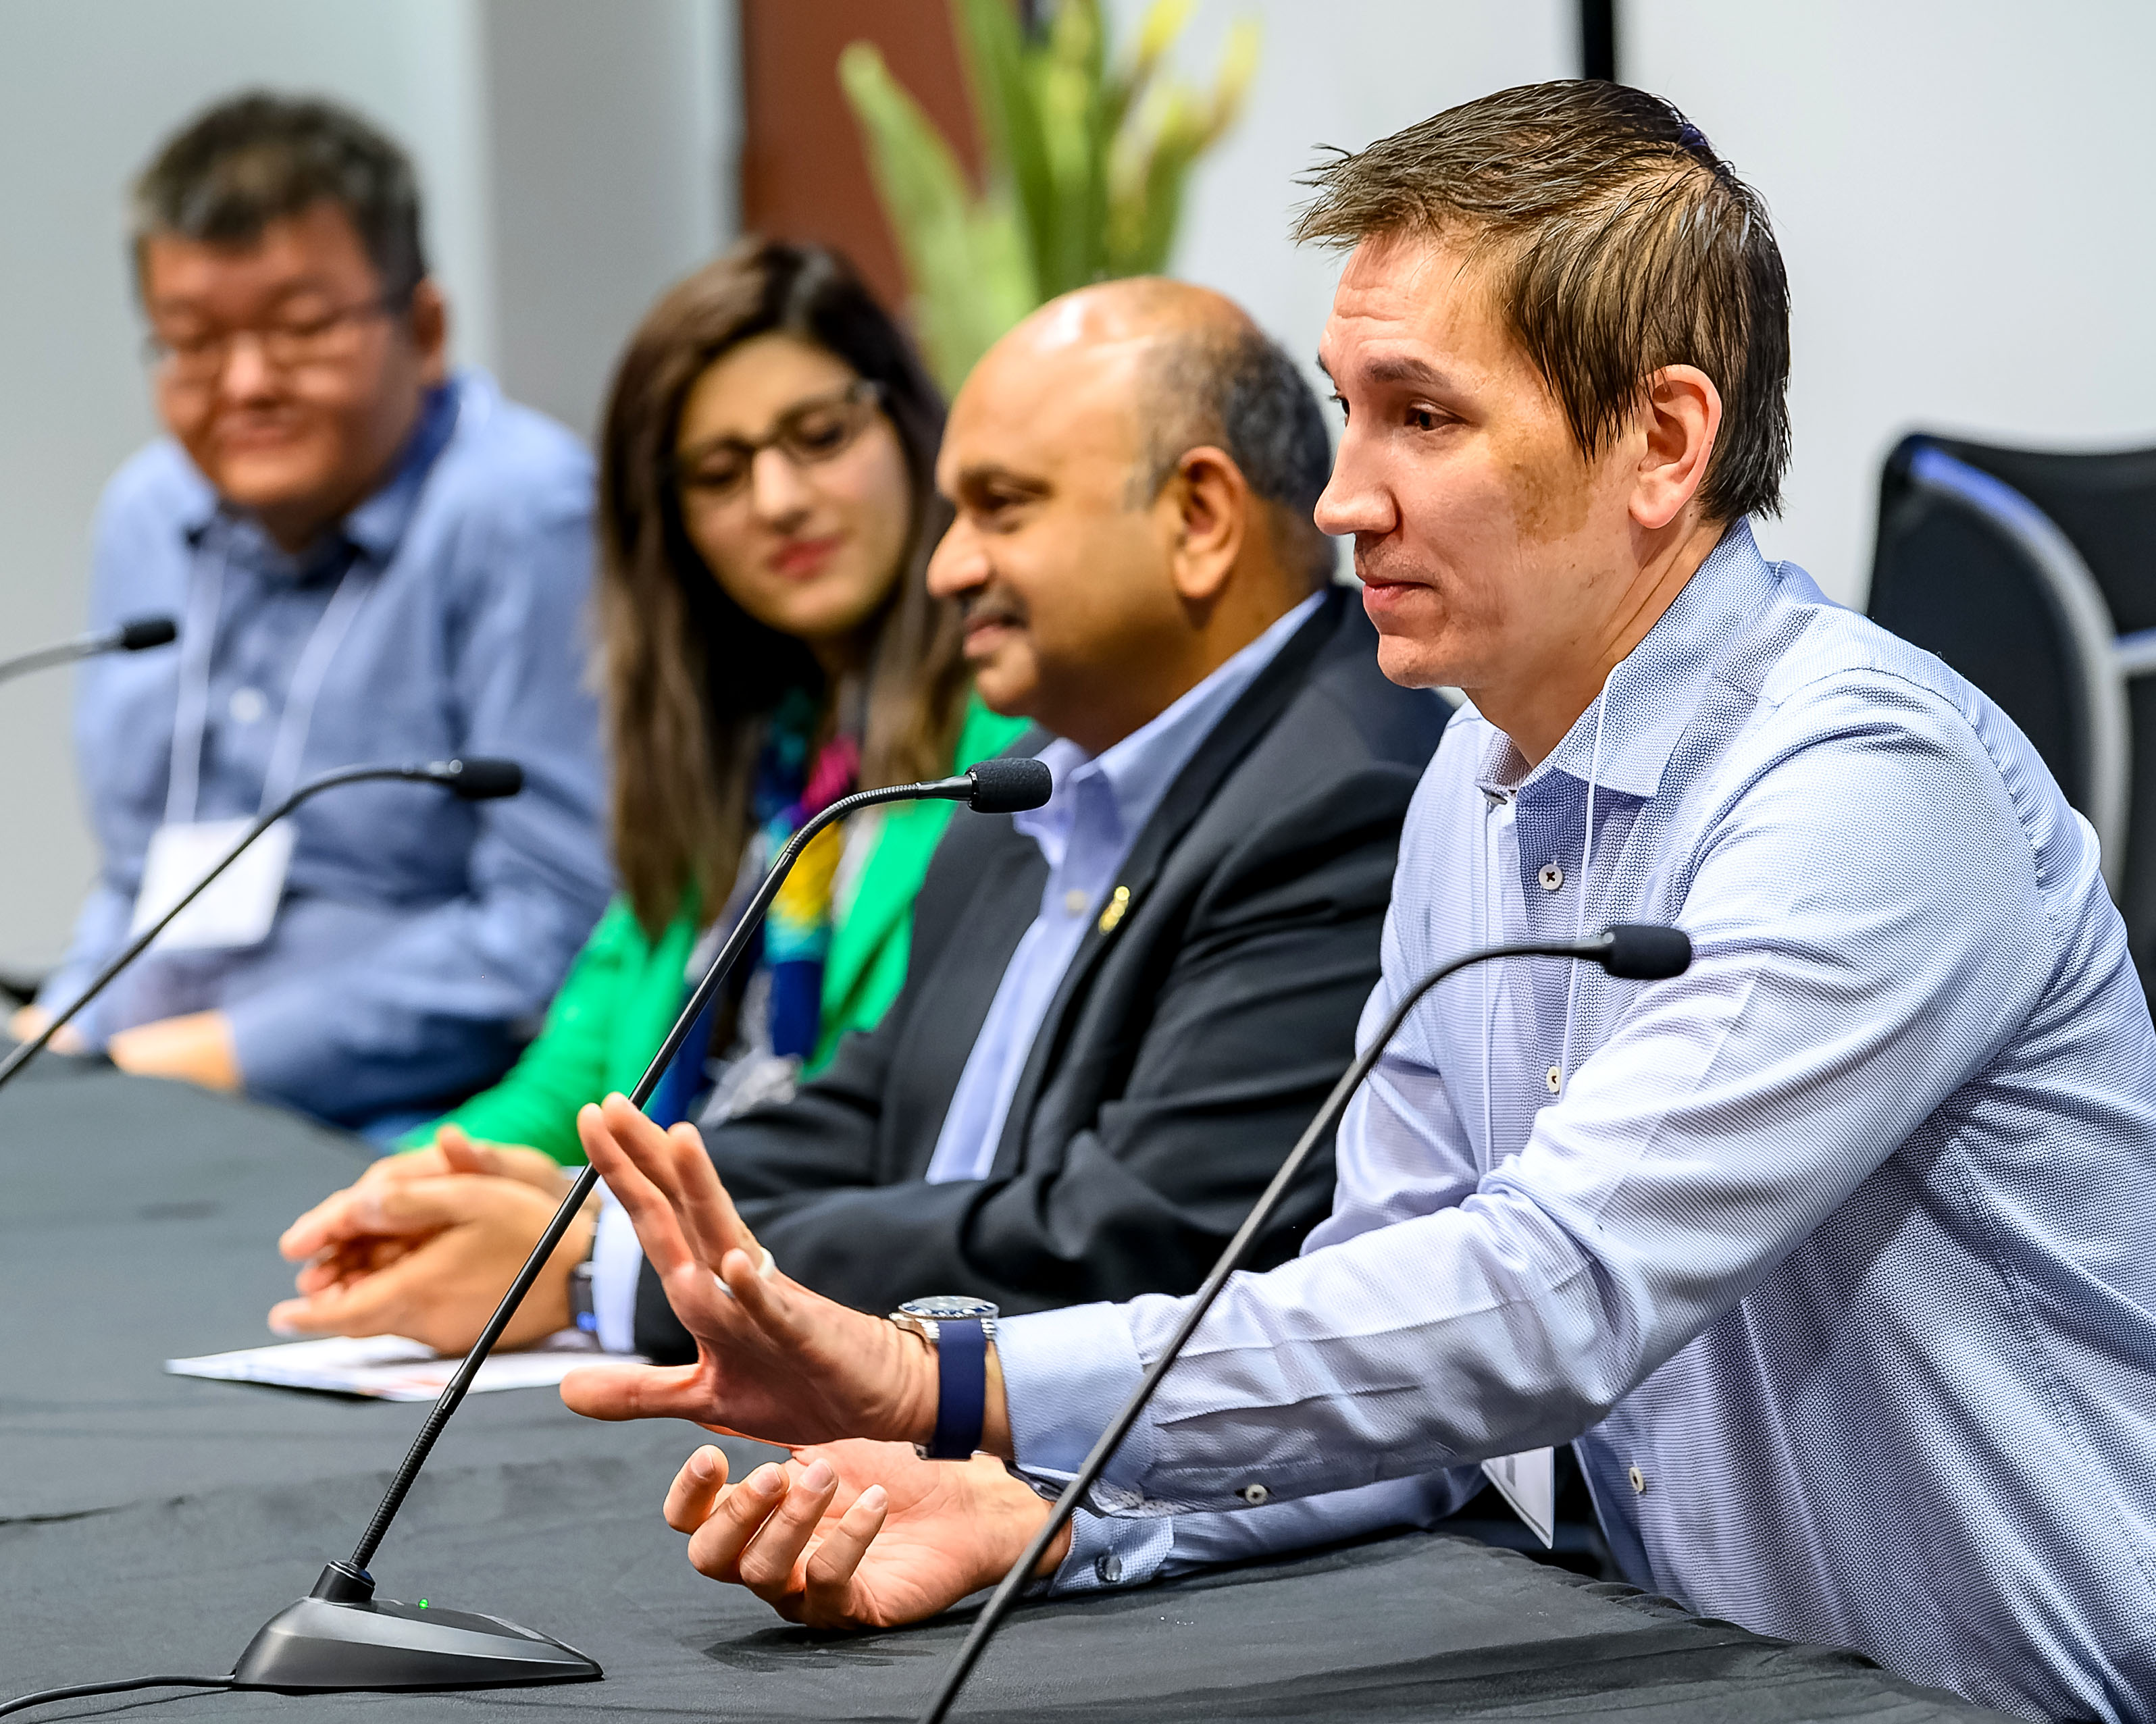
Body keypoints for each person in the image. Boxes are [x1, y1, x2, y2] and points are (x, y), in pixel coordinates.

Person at [561, 83, 2156, 1724]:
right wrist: (1063, 1510)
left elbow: (1546, 1295)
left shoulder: (1865, 782)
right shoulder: (1470, 782)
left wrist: (946, 1376)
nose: (1341, 497)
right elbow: (1422, 1355)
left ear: (1664, 442)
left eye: (1424, 418)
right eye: (1348, 409)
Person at [269, 277, 1450, 1369]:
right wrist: (593, 1210)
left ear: (1199, 516)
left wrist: (608, 1271)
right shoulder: (1041, 774)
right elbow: (871, 1114)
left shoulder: (1344, 797)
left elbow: (1132, 1237)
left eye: (1001, 509)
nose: (947, 568)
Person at [267, 236, 1027, 1345]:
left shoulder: (1010, 748)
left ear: (910, 429)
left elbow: (885, 1124)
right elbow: (576, 1079)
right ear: (669, 526)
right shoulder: (744, 755)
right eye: (719, 474)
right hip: (653, 1276)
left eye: (821, 437)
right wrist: (415, 1189)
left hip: (831, 1300)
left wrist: (588, 1233)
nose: (779, 499)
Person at [11, 93, 610, 1131]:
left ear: (424, 329)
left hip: (403, 1117)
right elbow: (140, 879)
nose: (246, 384)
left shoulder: (522, 513)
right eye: (192, 342)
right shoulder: (148, 514)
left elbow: (554, 923)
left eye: (301, 330)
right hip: (151, 1089)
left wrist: (201, 1062)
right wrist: (64, 1031)